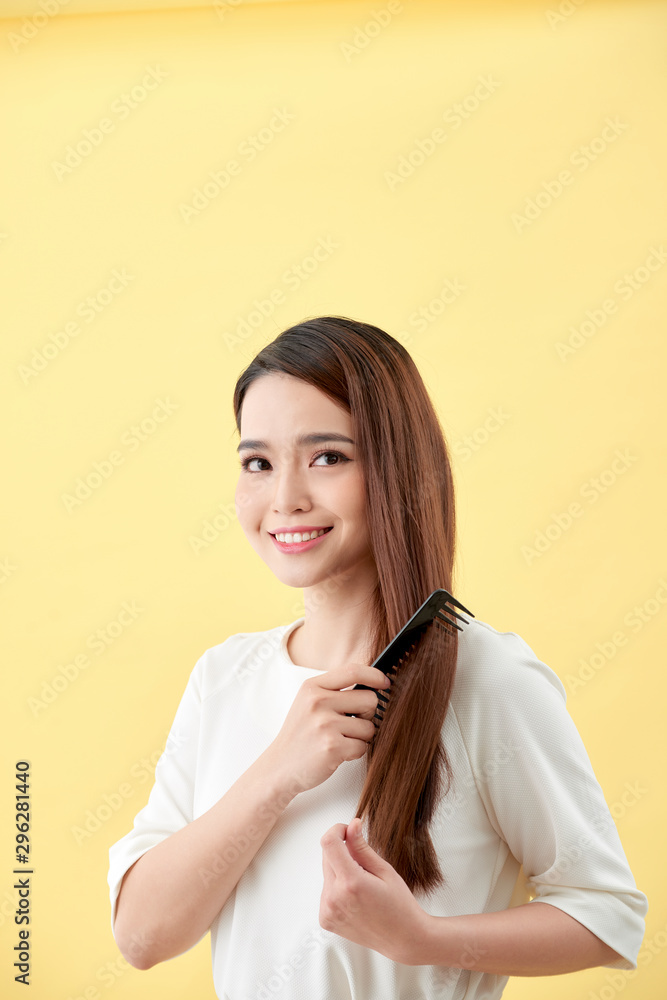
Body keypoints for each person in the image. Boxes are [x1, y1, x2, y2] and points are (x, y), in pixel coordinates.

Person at [107, 315, 648, 999]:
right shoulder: (222, 678)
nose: (285, 499)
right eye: (257, 463)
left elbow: (606, 915)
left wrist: (423, 940)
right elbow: (142, 936)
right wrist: (277, 772)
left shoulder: (485, 678)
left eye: (326, 457)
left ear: (396, 468)